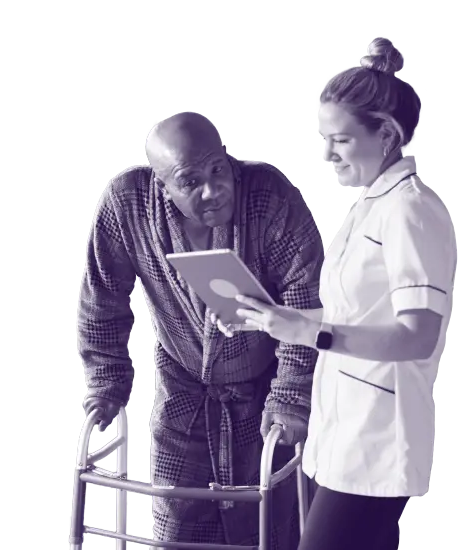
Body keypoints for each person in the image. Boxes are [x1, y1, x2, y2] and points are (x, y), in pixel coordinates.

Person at [217, 36, 457, 549]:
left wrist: (309, 331)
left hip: (377, 439)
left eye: (341, 140)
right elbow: (356, 312)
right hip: (342, 429)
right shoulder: (370, 207)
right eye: (323, 138)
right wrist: (269, 316)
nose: (327, 155)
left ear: (387, 135)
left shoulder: (411, 211)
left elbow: (418, 335)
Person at [77, 112, 325, 549]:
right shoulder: (128, 205)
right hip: (183, 383)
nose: (213, 189)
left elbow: (307, 300)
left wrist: (290, 397)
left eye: (218, 169)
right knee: (175, 517)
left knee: (268, 517)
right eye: (190, 182)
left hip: (267, 386)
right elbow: (104, 298)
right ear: (162, 185)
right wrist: (106, 383)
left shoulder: (270, 198)